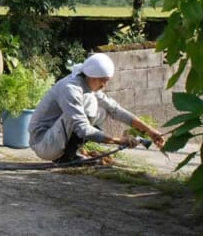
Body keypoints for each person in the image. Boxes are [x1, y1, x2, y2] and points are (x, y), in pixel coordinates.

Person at [29, 53, 166, 164]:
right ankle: (68, 156)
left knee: (102, 110)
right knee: (90, 103)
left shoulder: (86, 85)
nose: (104, 85)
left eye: (107, 80)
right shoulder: (71, 89)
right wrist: (119, 140)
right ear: (91, 76)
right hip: (44, 144)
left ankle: (69, 153)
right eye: (103, 80)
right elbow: (83, 129)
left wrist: (149, 130)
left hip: (54, 139)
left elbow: (116, 110)